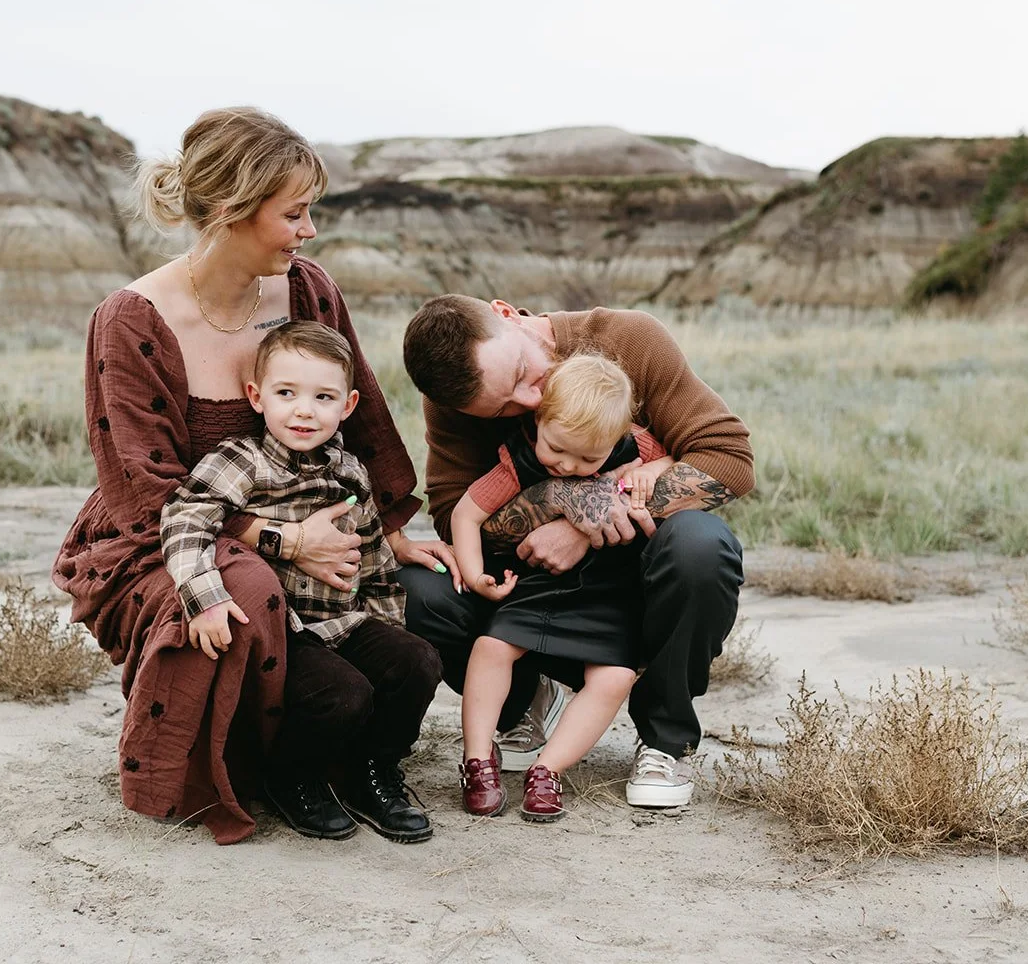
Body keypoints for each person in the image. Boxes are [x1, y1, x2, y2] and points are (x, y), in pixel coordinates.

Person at [51, 108, 454, 845]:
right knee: (252, 587)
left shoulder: (307, 290)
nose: (308, 231)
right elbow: (149, 496)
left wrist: (394, 527)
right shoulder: (133, 320)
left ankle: (368, 752)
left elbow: (358, 411)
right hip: (173, 533)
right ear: (235, 210)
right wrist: (287, 539)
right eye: (295, 213)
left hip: (305, 506)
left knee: (431, 603)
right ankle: (267, 764)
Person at [400, 294, 752, 808]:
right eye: (502, 408)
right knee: (418, 589)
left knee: (700, 547)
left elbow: (730, 462)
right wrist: (559, 497)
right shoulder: (455, 393)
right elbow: (454, 511)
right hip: (529, 582)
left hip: (628, 578)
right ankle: (523, 703)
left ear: (507, 314)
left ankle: (664, 738)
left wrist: (590, 515)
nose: (528, 401)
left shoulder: (630, 339)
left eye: (524, 372)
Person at [161, 322, 440, 843]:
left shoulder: (351, 472)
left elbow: (374, 558)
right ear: (257, 396)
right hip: (281, 627)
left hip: (341, 618)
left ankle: (370, 772)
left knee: (416, 660)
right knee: (342, 692)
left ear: (349, 405)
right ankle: (294, 778)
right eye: (286, 393)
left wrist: (386, 639)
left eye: (323, 397)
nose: (304, 410)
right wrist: (204, 599)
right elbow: (185, 518)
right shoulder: (241, 461)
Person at [450, 353, 674, 821]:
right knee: (492, 646)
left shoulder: (636, 447)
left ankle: (547, 770)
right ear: (540, 419)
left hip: (611, 589)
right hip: (540, 581)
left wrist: (650, 471)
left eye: (588, 457)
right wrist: (474, 575)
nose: (569, 465)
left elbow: (678, 458)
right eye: (558, 450)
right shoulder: (521, 458)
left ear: (618, 436)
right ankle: (477, 760)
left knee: (614, 676)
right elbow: (465, 513)